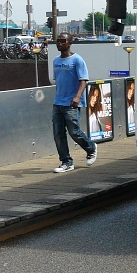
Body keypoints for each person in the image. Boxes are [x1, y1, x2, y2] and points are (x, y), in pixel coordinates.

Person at [52, 33, 97, 173]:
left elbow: (83, 80)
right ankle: (66, 162)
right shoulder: (55, 61)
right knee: (58, 134)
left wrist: (78, 97)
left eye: (62, 41)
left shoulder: (77, 60)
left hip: (71, 103)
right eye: (57, 41)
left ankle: (91, 148)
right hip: (58, 102)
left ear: (70, 42)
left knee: (74, 131)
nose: (59, 43)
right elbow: (58, 80)